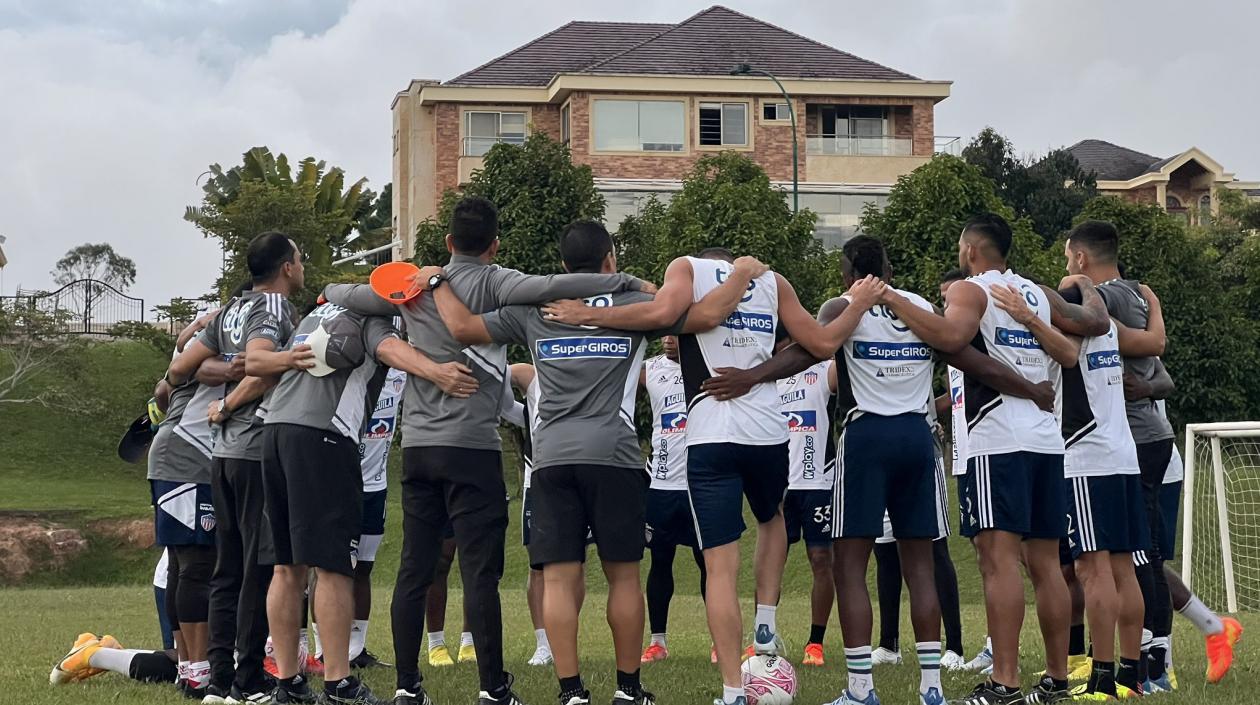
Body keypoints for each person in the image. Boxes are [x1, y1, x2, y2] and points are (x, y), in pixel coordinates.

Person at [323, 197, 654, 705]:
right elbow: (553, 287)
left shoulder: (409, 288)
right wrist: (626, 282)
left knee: (415, 566)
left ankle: (409, 686)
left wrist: (333, 288)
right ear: (495, 245)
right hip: (479, 447)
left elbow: (350, 296)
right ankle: (495, 686)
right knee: (482, 571)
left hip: (421, 446)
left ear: (449, 242)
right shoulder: (502, 283)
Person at [426, 221, 766, 705]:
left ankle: (571, 692)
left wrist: (437, 280)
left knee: (562, 578)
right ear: (610, 259)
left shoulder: (536, 307)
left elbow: (460, 326)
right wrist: (739, 276)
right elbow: (708, 317)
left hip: (551, 457)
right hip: (615, 455)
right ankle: (628, 689)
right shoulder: (638, 305)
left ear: (564, 265)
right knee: (624, 575)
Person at [543, 246, 882, 705]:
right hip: (767, 432)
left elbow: (666, 313)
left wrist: (587, 314)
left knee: (720, 569)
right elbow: (822, 345)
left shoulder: (684, 267)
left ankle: (732, 691)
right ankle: (766, 618)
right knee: (772, 518)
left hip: (710, 435)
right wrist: (858, 304)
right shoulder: (772, 280)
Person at [878, 213, 1110, 705]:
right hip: (1046, 442)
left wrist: (892, 298)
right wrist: (1084, 287)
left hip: (997, 439)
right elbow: (1089, 328)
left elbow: (949, 338)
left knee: (996, 561)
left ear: (970, 250)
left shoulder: (969, 290)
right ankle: (1056, 681)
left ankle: (1004, 682)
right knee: (1046, 565)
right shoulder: (1038, 293)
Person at [166, 231, 306, 705]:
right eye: (300, 259)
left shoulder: (230, 309)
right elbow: (265, 369)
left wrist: (224, 368)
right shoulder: (277, 309)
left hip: (220, 455)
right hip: (252, 447)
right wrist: (229, 402)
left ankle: (219, 680)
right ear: (286, 267)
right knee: (256, 569)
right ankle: (248, 681)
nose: (302, 267)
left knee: (226, 569)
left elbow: (184, 365)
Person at [989, 280, 1147, 699]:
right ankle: (1130, 677)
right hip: (1122, 452)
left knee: (1091, 571)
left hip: (1085, 455)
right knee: (1122, 567)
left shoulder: (1074, 331)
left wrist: (1027, 316)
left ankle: (1102, 677)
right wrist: (1084, 284)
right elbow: (1114, 324)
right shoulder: (1108, 326)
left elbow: (1066, 348)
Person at [149, 308, 241, 697]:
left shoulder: (204, 330)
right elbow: (202, 372)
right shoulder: (212, 334)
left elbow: (162, 390)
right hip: (184, 456)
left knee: (186, 563)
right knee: (195, 564)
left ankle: (190, 667)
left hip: (187, 456)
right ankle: (198, 667)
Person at [640, 336, 708, 664]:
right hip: (662, 483)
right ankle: (657, 642)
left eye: (676, 331)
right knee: (660, 561)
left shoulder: (708, 362)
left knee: (709, 563)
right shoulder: (649, 369)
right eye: (664, 332)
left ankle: (717, 640)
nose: (669, 339)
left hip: (701, 483)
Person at [775, 341, 837, 667]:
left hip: (820, 482)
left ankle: (815, 643)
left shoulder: (822, 371)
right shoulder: (770, 378)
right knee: (772, 562)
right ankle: (764, 636)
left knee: (821, 559)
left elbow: (844, 364)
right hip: (781, 488)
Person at [350, 365, 405, 669]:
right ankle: (323, 650)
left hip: (376, 486)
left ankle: (357, 649)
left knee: (364, 569)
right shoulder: (354, 362)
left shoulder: (401, 370)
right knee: (333, 569)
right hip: (341, 483)